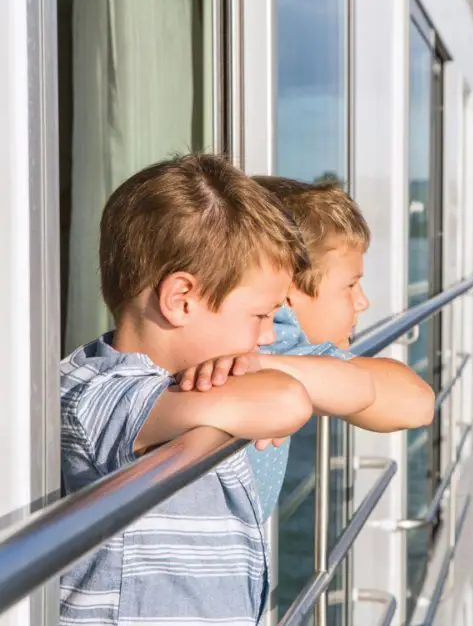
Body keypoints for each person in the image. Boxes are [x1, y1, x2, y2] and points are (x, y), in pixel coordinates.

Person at [59, 154, 375, 625]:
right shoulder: (96, 393)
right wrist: (259, 381)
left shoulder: (193, 383)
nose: (267, 336)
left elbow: (359, 388)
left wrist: (257, 370)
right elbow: (285, 402)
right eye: (261, 315)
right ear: (181, 300)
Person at [242, 175, 436, 520]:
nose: (362, 302)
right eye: (350, 286)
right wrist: (267, 367)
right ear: (288, 289)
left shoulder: (261, 344)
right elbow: (417, 403)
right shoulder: (277, 342)